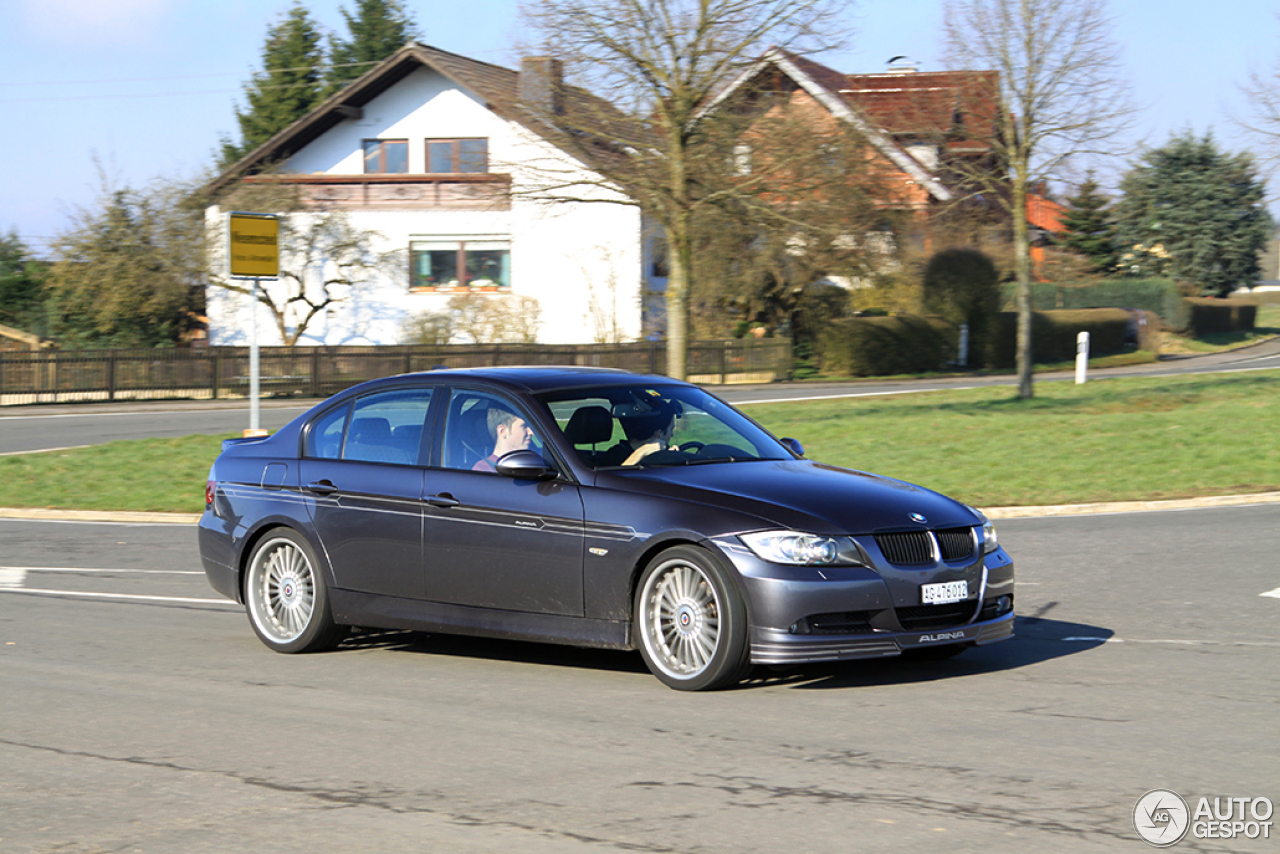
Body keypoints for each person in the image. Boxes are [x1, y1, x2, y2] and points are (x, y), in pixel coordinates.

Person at [598, 400, 680, 467]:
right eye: (671, 430)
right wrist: (642, 452)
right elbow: (612, 482)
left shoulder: (661, 452)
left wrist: (670, 457)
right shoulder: (614, 456)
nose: (672, 435)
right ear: (658, 434)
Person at [471, 407, 534, 472]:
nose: (531, 432)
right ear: (502, 431)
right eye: (524, 426)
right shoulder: (484, 470)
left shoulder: (532, 463)